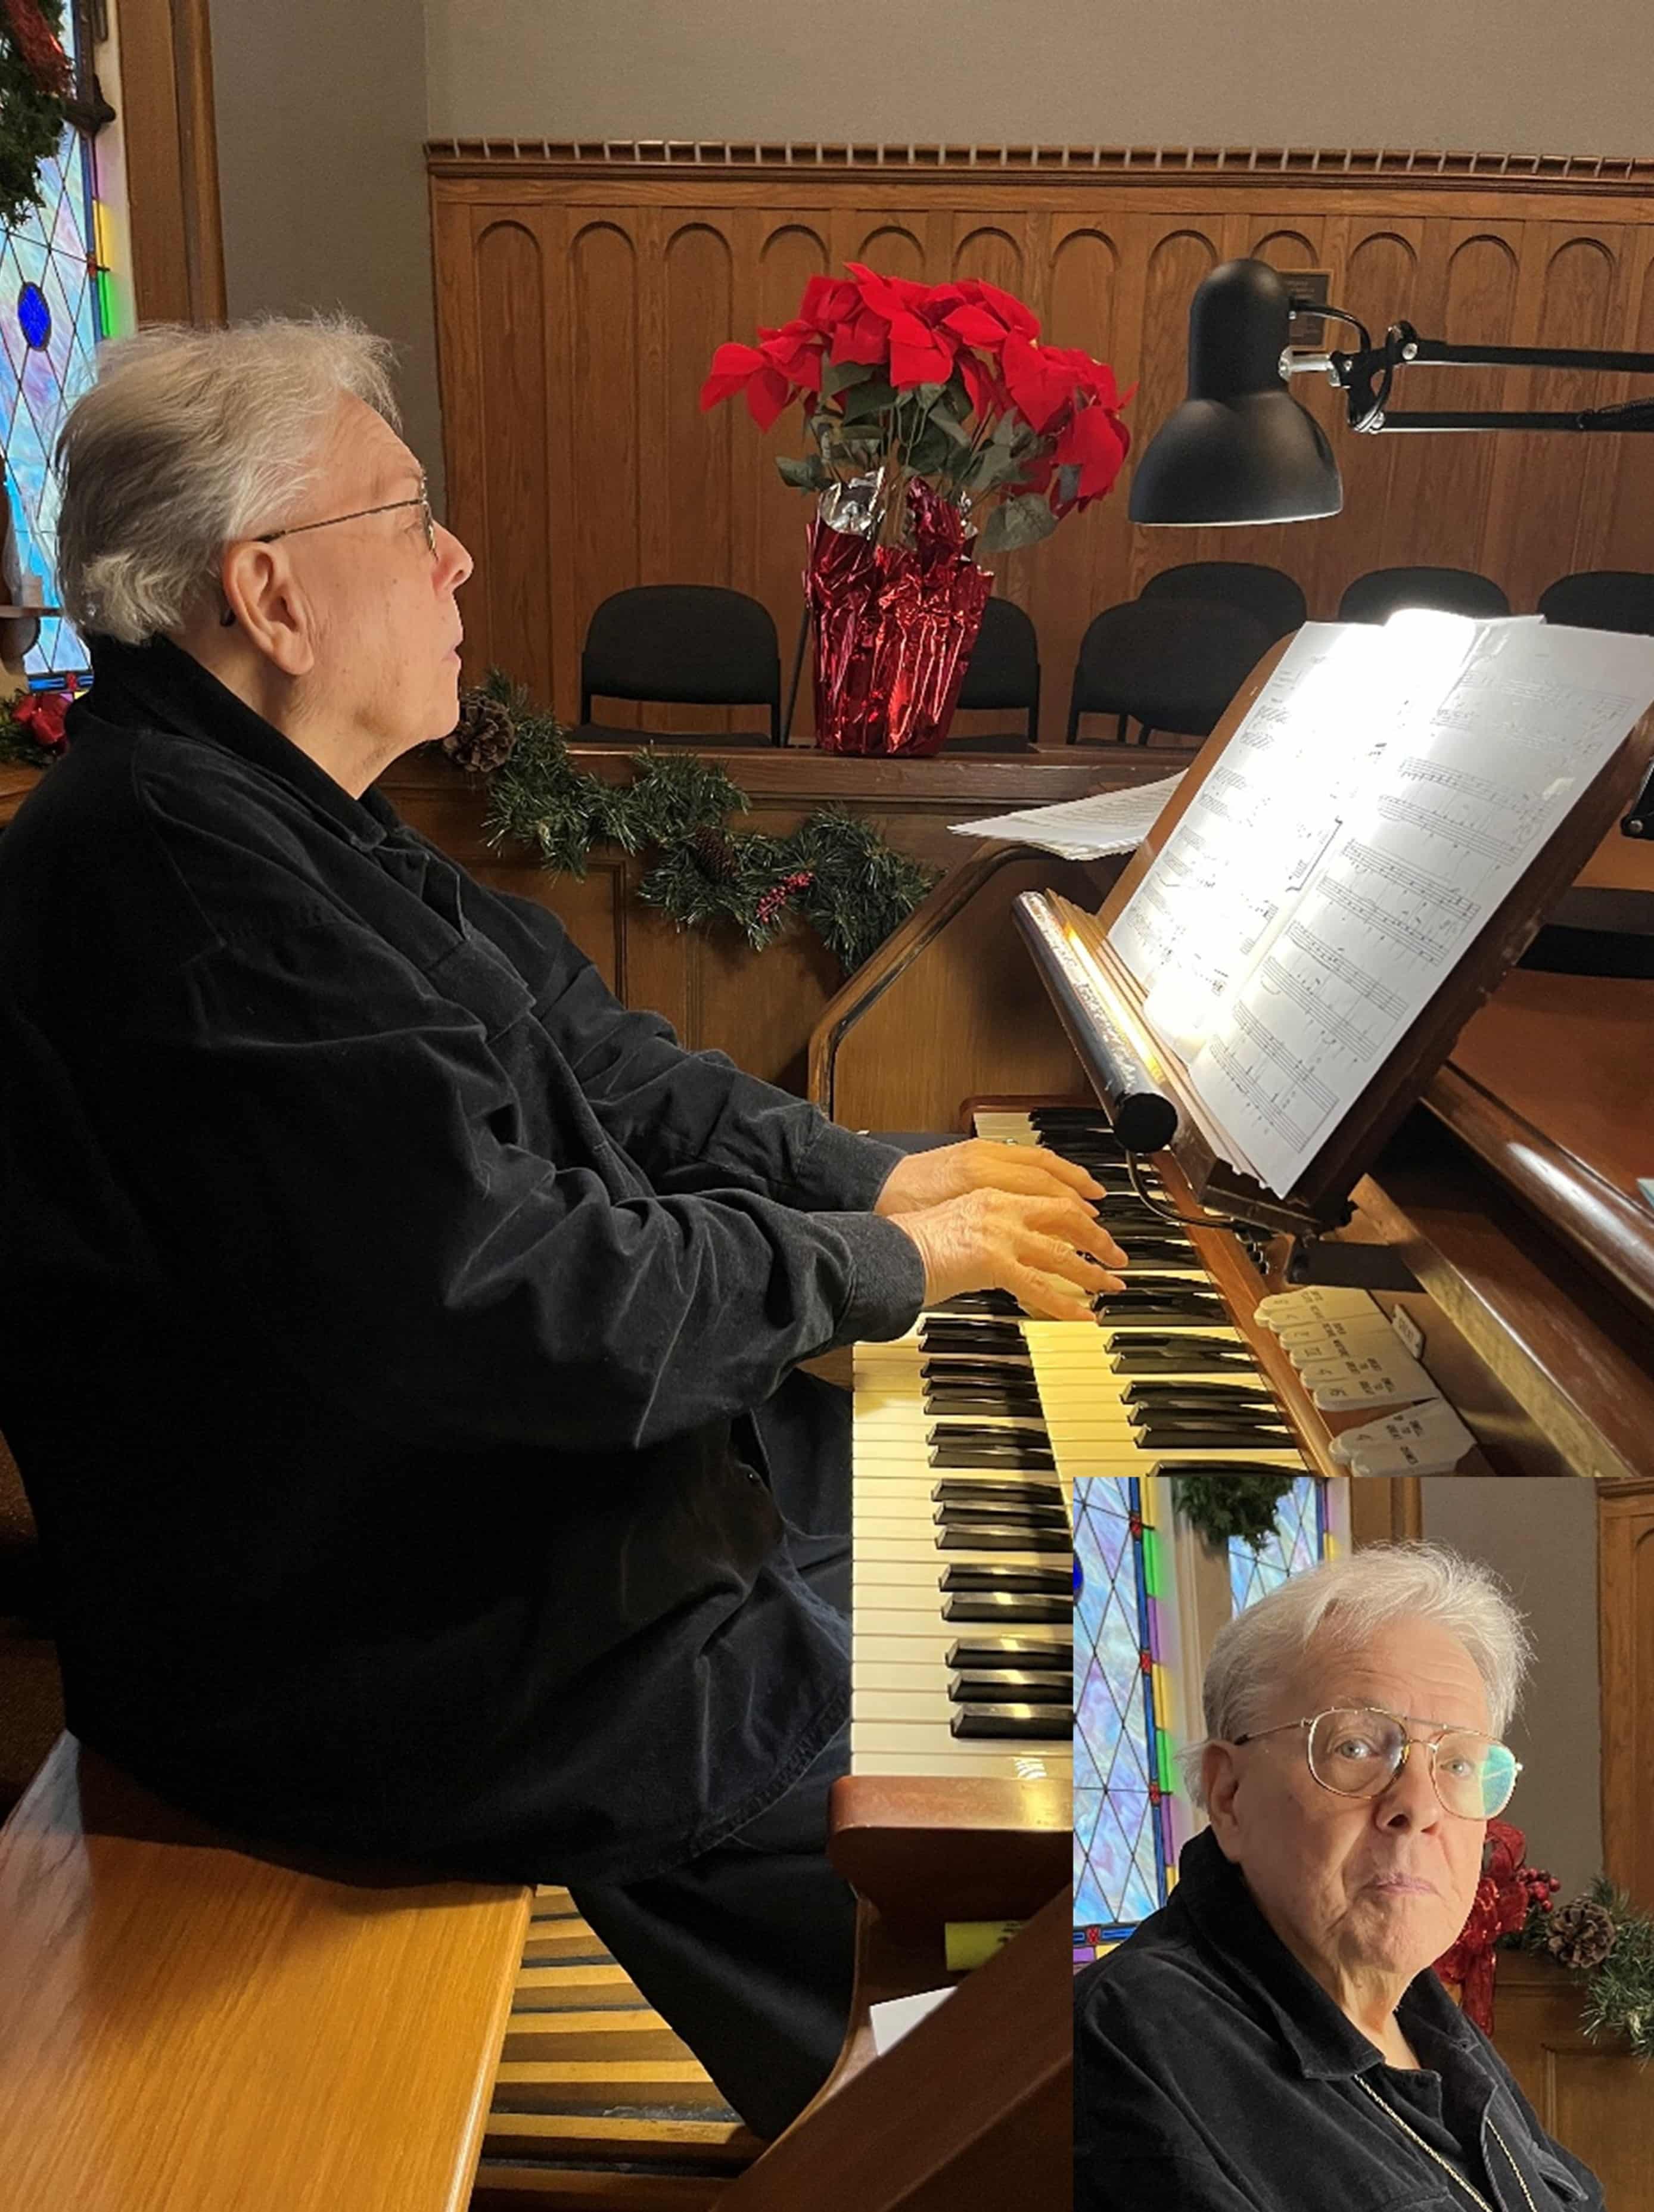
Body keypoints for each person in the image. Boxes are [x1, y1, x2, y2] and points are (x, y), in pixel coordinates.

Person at [0, 315, 1126, 2140]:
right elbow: (513, 1296)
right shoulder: (180, 881)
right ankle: (938, 2127)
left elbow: (601, 1061)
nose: (456, 559)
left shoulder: (265, 810)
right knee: (1012, 1768)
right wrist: (882, 1262)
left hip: (453, 1530)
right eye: (408, 515)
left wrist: (866, 1184)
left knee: (972, 1518)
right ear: (270, 593)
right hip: (376, 1654)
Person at [1075, 1543, 1605, 2212]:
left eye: (1459, 1764)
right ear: (1229, 1795)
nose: (1418, 1806)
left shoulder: (1421, 2014)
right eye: (1354, 1746)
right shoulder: (1127, 2044)